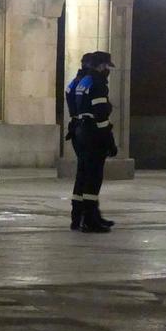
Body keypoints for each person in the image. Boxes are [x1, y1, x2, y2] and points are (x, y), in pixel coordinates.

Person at [72, 51, 119, 233]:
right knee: (93, 176)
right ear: (101, 66)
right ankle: (90, 220)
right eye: (107, 66)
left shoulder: (83, 81)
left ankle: (79, 216)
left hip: (81, 130)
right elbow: (101, 114)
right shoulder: (97, 83)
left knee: (83, 175)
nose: (108, 70)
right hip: (93, 133)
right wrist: (109, 141)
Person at [65, 52, 94, 230]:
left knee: (81, 172)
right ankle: (86, 217)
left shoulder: (75, 82)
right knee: (90, 173)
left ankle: (76, 216)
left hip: (76, 127)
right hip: (88, 130)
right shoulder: (89, 82)